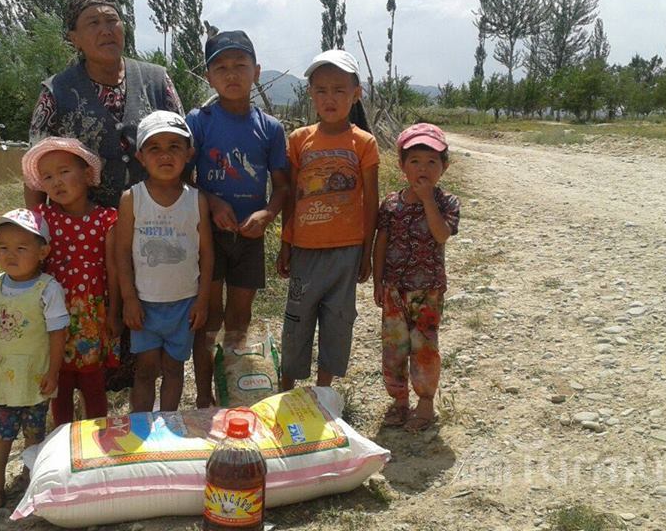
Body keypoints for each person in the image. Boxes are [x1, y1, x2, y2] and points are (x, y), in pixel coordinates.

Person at [186, 30, 289, 408]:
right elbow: (182, 179)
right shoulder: (198, 121)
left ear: (256, 72)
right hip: (208, 236)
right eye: (221, 68)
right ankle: (203, 395)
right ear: (209, 77)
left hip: (249, 238)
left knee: (240, 315)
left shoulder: (270, 128)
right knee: (208, 316)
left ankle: (232, 388)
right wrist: (211, 201)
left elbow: (282, 186)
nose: (232, 74)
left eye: (240, 65)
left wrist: (268, 213)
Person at [277, 50, 379, 391]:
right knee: (297, 318)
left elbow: (371, 201)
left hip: (346, 252)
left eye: (339, 90)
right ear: (310, 93)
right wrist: (286, 243)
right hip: (305, 250)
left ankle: (323, 392)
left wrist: (367, 251)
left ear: (356, 93)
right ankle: (286, 388)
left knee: (338, 319)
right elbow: (291, 197)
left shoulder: (364, 143)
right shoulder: (299, 140)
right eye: (321, 90)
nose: (329, 98)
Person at [28, 0, 184, 210]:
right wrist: (37, 225)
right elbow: (35, 172)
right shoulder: (55, 92)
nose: (106, 30)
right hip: (81, 226)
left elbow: (185, 147)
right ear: (74, 39)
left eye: (112, 20)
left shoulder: (157, 80)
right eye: (93, 23)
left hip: (157, 219)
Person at [115, 111, 213, 412]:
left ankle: (168, 425)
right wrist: (129, 299)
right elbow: (122, 252)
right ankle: (140, 427)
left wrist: (202, 301)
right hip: (145, 305)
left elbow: (207, 254)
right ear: (141, 157)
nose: (165, 155)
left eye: (174, 147)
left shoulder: (196, 200)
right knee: (145, 370)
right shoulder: (132, 199)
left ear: (188, 154)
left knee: (173, 369)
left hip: (184, 305)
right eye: (154, 148)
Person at [21, 137, 119, 426]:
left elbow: (114, 268)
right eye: (47, 177)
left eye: (64, 172)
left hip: (92, 316)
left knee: (93, 383)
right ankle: (63, 440)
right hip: (53, 318)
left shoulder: (107, 219)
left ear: (88, 175)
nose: (56, 182)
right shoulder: (42, 219)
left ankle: (96, 440)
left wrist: (115, 312)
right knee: (59, 382)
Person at [0, 209, 68, 510]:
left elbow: (57, 333)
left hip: (34, 375)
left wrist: (53, 372)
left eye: (21, 248)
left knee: (33, 432)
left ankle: (31, 481)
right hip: (5, 376)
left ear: (43, 252)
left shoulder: (48, 289)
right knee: (2, 432)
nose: (10, 254)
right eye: (3, 247)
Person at [373, 124, 460, 432]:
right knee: (394, 347)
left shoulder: (447, 202)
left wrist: (427, 200)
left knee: (424, 346)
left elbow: (441, 235)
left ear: (444, 167)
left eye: (432, 162)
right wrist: (378, 281)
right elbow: (381, 242)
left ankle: (425, 402)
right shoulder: (391, 203)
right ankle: (398, 401)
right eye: (415, 161)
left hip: (428, 290)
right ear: (402, 165)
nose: (423, 169)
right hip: (394, 289)